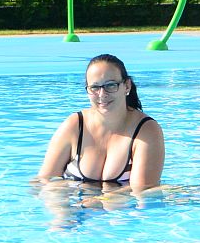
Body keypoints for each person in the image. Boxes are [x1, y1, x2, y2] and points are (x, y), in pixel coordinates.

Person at [37, 54, 165, 193]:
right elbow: (45, 180)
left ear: (127, 86)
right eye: (95, 87)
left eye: (110, 85)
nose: (102, 94)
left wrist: (98, 201)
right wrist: (62, 211)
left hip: (123, 212)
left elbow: (142, 191)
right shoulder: (74, 125)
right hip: (75, 210)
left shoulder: (146, 130)